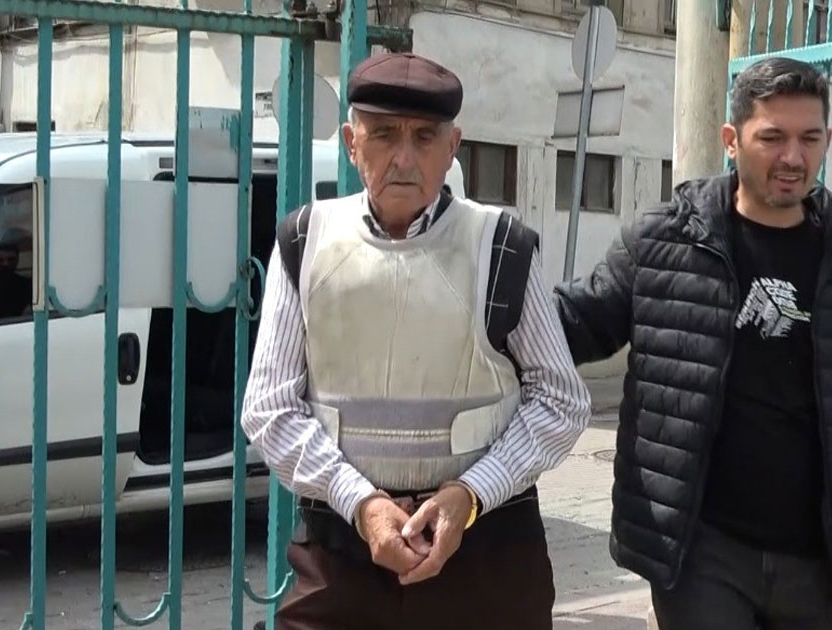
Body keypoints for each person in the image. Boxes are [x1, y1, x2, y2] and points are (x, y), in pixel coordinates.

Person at [553, 57, 832, 629]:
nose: (793, 157)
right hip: (701, 549)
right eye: (772, 137)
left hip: (817, 560)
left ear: (826, 142)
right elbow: (579, 320)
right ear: (732, 140)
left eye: (809, 139)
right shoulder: (665, 243)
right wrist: (489, 301)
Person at [241, 51, 592, 630]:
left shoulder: (502, 247)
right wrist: (362, 503)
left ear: (453, 147)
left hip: (487, 553)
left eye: (424, 137)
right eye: (383, 134)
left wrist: (470, 495)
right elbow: (268, 407)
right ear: (352, 143)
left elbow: (561, 400)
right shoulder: (305, 242)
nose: (404, 158)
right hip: (342, 551)